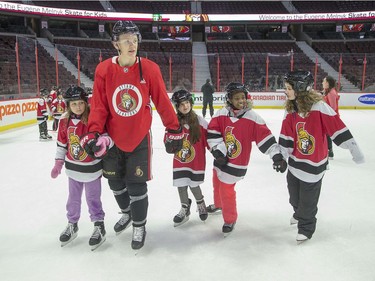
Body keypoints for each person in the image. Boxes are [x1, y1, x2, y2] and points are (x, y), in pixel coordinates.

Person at [79, 20, 182, 250]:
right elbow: (99, 105)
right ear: (115, 43)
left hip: (139, 138)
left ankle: (139, 225)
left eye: (134, 39)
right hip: (112, 139)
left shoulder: (150, 68)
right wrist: (94, 131)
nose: (131, 43)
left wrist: (173, 128)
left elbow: (162, 102)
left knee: (136, 186)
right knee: (115, 183)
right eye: (126, 40)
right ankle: (127, 213)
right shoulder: (104, 69)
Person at [279, 70, 365, 244]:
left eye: (288, 88)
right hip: (295, 163)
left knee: (308, 201)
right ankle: (298, 212)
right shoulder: (290, 108)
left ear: (300, 88)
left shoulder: (319, 107)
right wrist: (281, 156)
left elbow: (337, 128)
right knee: (294, 197)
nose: (285, 91)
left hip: (314, 164)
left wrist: (355, 152)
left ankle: (306, 227)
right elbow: (286, 135)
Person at [207, 82, 286, 236]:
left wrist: (276, 156)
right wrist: (217, 152)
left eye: (243, 97)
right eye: (237, 98)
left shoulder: (252, 117)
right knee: (216, 179)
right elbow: (213, 132)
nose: (241, 101)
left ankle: (230, 219)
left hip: (237, 162)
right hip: (221, 158)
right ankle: (218, 205)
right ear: (229, 99)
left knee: (226, 189)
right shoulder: (221, 113)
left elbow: (266, 139)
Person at [50, 86, 107, 250]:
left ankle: (98, 225)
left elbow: (103, 137)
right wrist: (58, 163)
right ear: (68, 105)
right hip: (73, 169)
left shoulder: (93, 119)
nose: (78, 107)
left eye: (81, 103)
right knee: (73, 199)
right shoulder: (64, 121)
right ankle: (72, 223)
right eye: (74, 104)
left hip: (92, 169)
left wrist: (102, 145)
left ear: (86, 102)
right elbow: (62, 145)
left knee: (93, 199)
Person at [170, 89, 209, 227]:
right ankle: (185, 207)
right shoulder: (173, 122)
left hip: (196, 162)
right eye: (181, 104)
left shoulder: (200, 121)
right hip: (180, 161)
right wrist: (168, 143)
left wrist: (217, 151)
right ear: (177, 107)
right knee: (181, 184)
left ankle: (200, 203)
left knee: (194, 184)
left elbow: (210, 138)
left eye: (187, 102)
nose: (185, 106)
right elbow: (168, 137)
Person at [322, 75, 340, 159]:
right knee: (325, 134)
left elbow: (333, 107)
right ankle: (328, 150)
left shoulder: (331, 93)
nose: (322, 83)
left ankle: (329, 151)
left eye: (324, 81)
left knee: (327, 134)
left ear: (328, 83)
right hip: (327, 115)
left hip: (330, 116)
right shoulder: (328, 91)